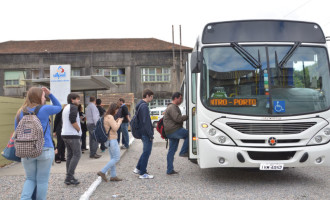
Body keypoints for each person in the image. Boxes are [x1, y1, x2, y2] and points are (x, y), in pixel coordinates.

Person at [15, 87, 61, 199]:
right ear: (39, 97)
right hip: (45, 148)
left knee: (30, 178)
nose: (44, 98)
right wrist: (50, 94)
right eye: (43, 96)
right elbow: (59, 107)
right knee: (42, 181)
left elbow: (17, 131)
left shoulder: (21, 112)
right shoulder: (44, 109)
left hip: (26, 150)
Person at [97, 103, 124, 182]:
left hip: (108, 140)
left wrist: (116, 121)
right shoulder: (110, 117)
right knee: (116, 158)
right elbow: (115, 128)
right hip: (112, 140)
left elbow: (110, 127)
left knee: (113, 158)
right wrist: (119, 122)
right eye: (117, 110)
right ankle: (102, 171)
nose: (117, 111)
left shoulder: (106, 116)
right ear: (114, 109)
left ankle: (113, 176)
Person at [163, 92, 189, 175]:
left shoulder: (172, 107)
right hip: (174, 130)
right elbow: (178, 118)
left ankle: (169, 170)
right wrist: (187, 116)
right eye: (180, 98)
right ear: (175, 98)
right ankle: (183, 152)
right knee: (190, 134)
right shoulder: (172, 107)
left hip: (170, 131)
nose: (181, 100)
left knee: (172, 151)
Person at [133, 89, 155, 179]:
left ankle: (138, 168)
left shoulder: (140, 105)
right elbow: (145, 122)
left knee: (145, 151)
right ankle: (142, 173)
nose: (152, 98)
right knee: (147, 152)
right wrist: (150, 134)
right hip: (145, 133)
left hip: (142, 132)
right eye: (151, 97)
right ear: (147, 96)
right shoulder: (144, 106)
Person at [61, 93, 82, 185]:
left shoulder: (66, 107)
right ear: (72, 100)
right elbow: (72, 120)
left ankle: (69, 176)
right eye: (77, 99)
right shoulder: (73, 107)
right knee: (77, 154)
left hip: (65, 134)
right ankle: (69, 177)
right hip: (72, 134)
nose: (79, 101)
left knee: (70, 155)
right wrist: (78, 129)